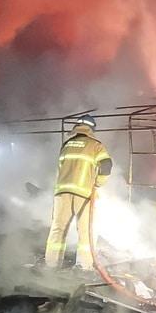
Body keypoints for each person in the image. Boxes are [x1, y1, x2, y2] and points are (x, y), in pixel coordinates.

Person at [44, 114, 112, 271]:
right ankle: (84, 266)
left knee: (58, 229)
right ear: (91, 129)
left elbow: (60, 169)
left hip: (62, 193)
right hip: (83, 194)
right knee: (85, 231)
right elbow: (107, 165)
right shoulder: (95, 145)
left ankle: (51, 265)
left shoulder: (67, 144)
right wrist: (98, 183)